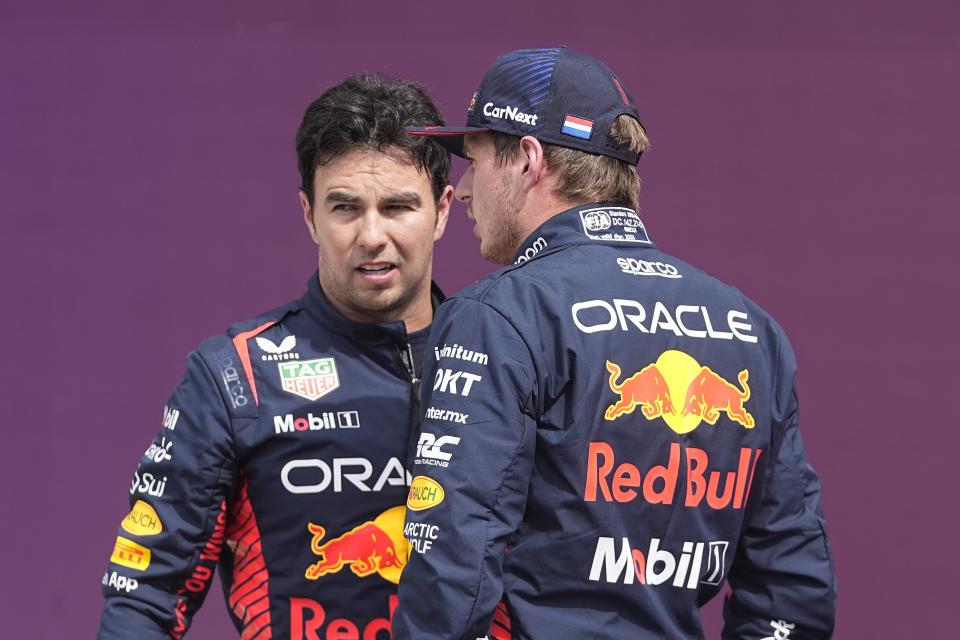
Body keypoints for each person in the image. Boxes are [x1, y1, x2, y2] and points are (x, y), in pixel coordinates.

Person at [395, 46, 837, 639]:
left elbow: (453, 563)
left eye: (474, 160)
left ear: (527, 159)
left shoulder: (499, 314)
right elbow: (792, 590)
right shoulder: (753, 330)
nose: (467, 188)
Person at [98, 73, 453, 639]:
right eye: (344, 207)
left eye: (397, 206)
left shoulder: (505, 362)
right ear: (309, 215)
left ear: (442, 210)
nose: (371, 235)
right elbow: (143, 597)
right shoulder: (235, 377)